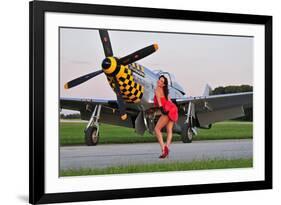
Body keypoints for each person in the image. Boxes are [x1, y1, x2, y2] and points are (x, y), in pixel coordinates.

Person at [154, 75, 178, 159]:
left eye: (161, 81)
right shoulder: (166, 91)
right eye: (159, 80)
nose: (158, 82)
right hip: (172, 108)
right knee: (169, 130)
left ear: (163, 84)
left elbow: (160, 103)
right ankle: (167, 148)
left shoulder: (157, 89)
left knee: (157, 129)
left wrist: (163, 111)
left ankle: (163, 149)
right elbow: (170, 101)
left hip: (167, 110)